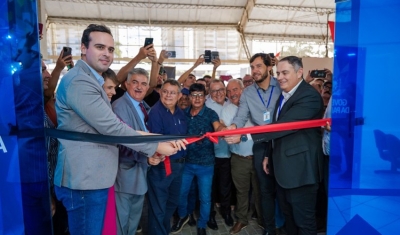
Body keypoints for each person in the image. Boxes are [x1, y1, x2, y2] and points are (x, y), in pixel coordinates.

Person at [54, 24, 185, 235]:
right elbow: (113, 128)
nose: (106, 53)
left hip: (93, 178)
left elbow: (119, 127)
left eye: (110, 49)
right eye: (99, 47)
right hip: (84, 180)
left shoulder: (92, 81)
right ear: (83, 48)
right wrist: (156, 146)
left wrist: (162, 139)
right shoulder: (80, 81)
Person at [227, 56, 324, 235]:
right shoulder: (284, 94)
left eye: (284, 73)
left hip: (301, 170)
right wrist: (266, 154)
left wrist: (244, 134)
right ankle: (269, 228)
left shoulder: (307, 96)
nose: (280, 77)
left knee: (303, 221)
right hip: (280, 160)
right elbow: (245, 117)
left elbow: (282, 126)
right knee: (289, 215)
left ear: (299, 72)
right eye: (279, 73)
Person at [228, 53, 282, 235]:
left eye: (258, 66)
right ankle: (268, 228)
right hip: (261, 144)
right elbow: (241, 116)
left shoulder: (281, 86)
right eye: (252, 67)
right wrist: (234, 129)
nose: (254, 71)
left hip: (282, 142)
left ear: (269, 67)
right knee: (264, 190)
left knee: (283, 186)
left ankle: (282, 223)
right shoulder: (248, 92)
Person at [111, 68, 163, 235]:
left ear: (148, 87)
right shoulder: (119, 106)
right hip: (124, 176)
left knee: (132, 223)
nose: (139, 87)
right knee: (122, 224)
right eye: (135, 82)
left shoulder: (144, 107)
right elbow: (122, 143)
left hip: (139, 176)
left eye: (143, 83)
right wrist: (147, 158)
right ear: (126, 84)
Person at [171, 83, 225, 235]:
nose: (197, 98)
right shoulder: (183, 113)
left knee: (205, 197)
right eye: (194, 95)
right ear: (189, 97)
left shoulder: (210, 113)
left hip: (206, 164)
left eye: (200, 95)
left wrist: (222, 130)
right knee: (182, 193)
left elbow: (217, 127)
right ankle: (183, 216)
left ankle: (202, 224)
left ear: (205, 97)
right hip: (186, 163)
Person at [147, 79, 188, 235]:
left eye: (172, 92)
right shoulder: (155, 112)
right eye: (165, 91)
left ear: (179, 96)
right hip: (162, 166)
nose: (168, 95)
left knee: (171, 203)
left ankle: (163, 231)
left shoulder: (180, 112)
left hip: (179, 166)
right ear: (160, 93)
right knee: (158, 207)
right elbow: (156, 141)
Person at [220, 79, 260, 234]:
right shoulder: (227, 109)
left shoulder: (255, 104)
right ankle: (241, 219)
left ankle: (264, 220)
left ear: (243, 89)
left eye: (235, 89)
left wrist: (241, 135)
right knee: (241, 191)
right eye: (228, 91)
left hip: (258, 157)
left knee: (261, 191)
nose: (232, 94)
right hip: (239, 158)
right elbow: (228, 134)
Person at [205, 80, 233, 229]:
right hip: (210, 154)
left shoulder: (233, 106)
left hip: (228, 154)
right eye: (214, 91)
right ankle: (210, 214)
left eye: (221, 89)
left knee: (225, 186)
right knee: (209, 188)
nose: (218, 93)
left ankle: (226, 211)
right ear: (209, 93)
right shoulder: (206, 106)